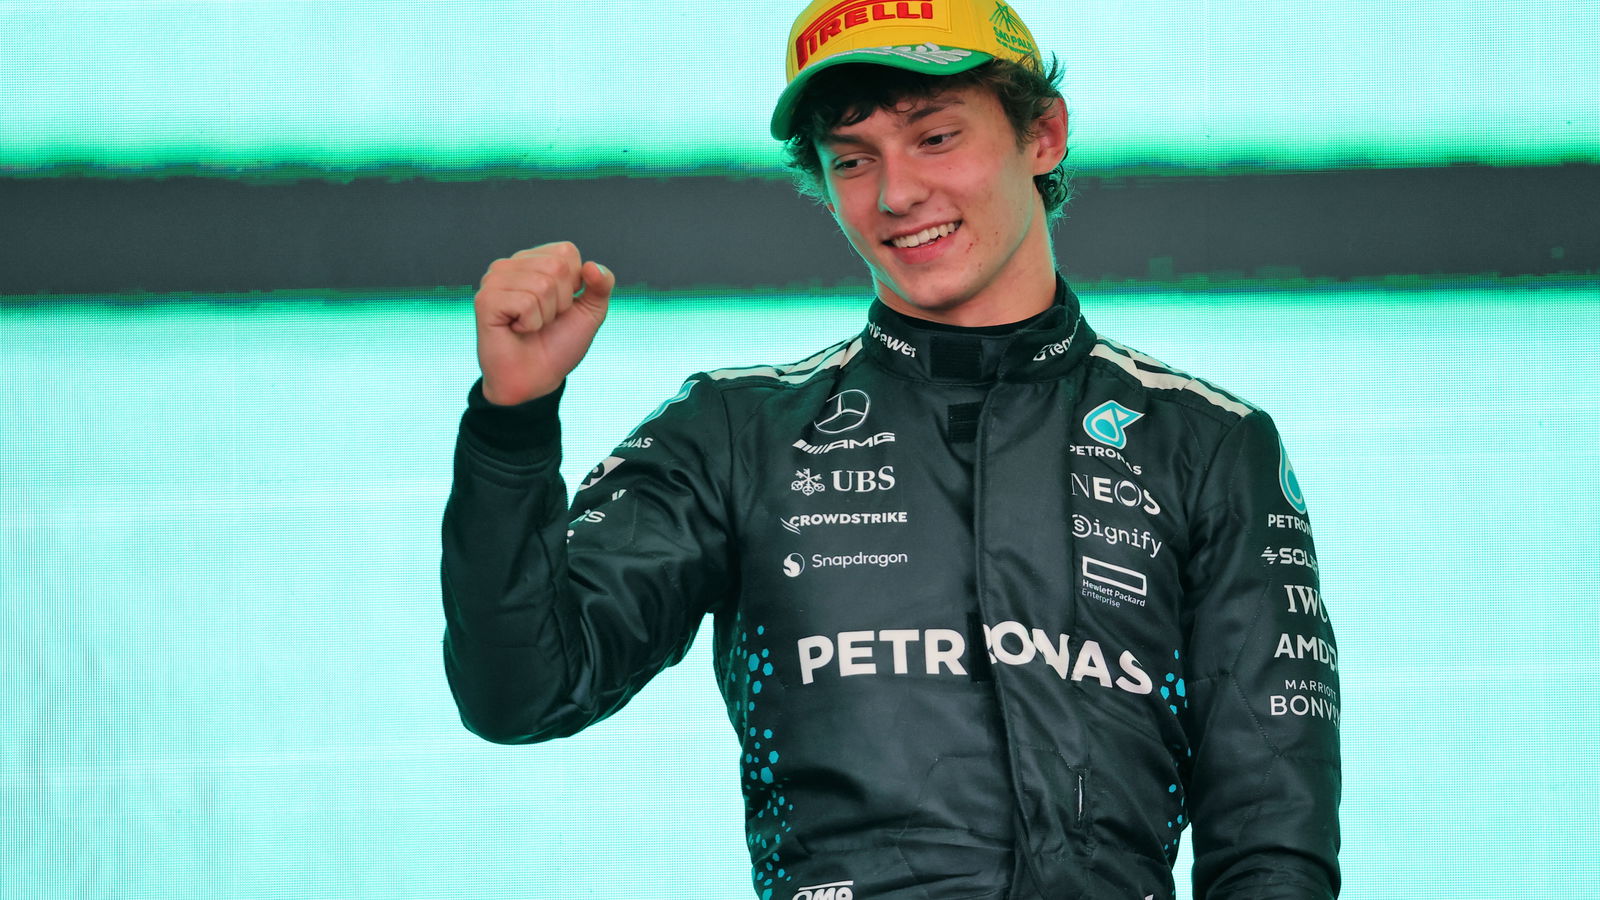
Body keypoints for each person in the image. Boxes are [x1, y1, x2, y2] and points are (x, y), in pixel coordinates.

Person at [440, 1, 1341, 897]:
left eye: (935, 138)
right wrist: (514, 421)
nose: (896, 194)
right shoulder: (735, 433)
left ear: (1044, 136)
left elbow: (1272, 846)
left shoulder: (1208, 444)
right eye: (852, 159)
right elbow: (522, 692)